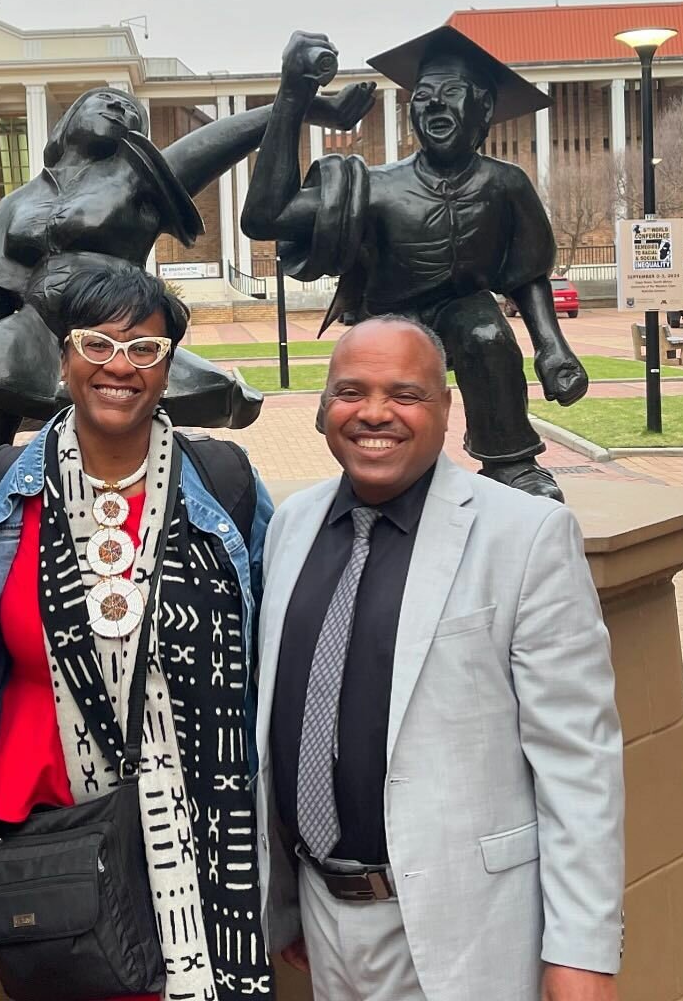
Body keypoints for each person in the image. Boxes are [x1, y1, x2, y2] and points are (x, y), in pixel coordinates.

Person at [254, 316, 624, 1001]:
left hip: (470, 935)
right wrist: (288, 908)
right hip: (323, 921)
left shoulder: (526, 536)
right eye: (349, 391)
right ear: (321, 407)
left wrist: (582, 950)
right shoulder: (290, 526)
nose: (373, 413)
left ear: (446, 408)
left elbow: (580, 762)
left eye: (405, 394)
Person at [0, 262, 276, 1001]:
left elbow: (275, 648)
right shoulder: (3, 492)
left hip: (199, 843)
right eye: (97, 346)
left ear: (168, 368)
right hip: (44, 854)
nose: (120, 368)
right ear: (63, 358)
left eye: (145, 350)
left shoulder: (224, 485)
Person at [0, 78, 377, 471]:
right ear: (69, 119)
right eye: (106, 101)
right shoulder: (20, 199)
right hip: (32, 331)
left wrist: (301, 102)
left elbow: (222, 138)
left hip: (115, 326)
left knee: (134, 434)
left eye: (130, 111)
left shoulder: (136, 176)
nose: (120, 109)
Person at [242, 27, 589, 501]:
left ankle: (511, 462)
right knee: (387, 359)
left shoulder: (505, 185)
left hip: (462, 307)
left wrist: (553, 348)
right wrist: (293, 93)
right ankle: (374, 458)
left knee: (485, 333)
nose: (435, 105)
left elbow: (526, 274)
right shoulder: (376, 186)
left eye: (452, 94)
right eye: (423, 96)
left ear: (483, 109)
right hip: (388, 312)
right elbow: (266, 217)